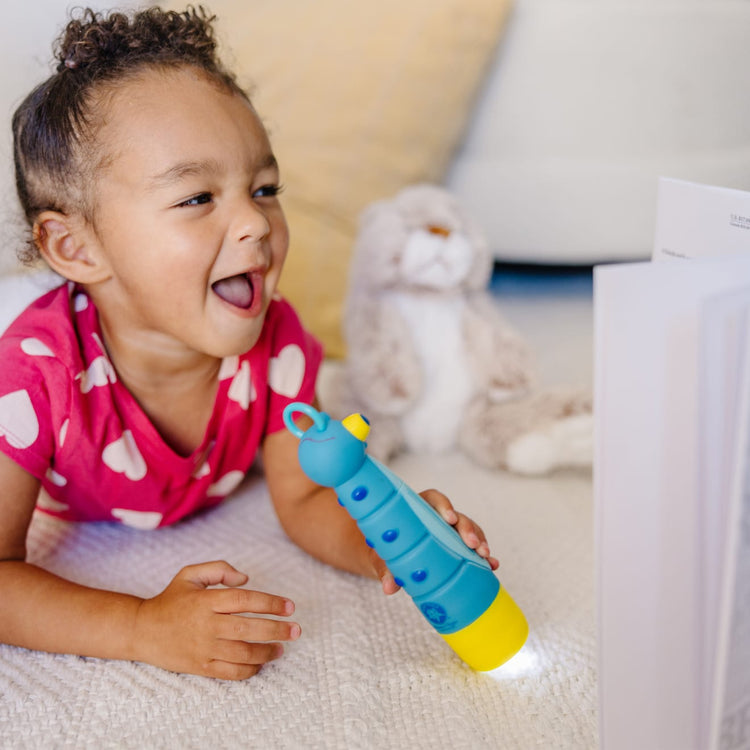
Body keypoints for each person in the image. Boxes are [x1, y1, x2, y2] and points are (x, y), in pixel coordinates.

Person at [0, 6, 499, 681]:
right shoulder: (33, 377)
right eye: (198, 197)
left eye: (264, 189)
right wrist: (140, 627)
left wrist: (391, 542)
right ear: (76, 246)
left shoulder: (277, 344)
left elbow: (305, 498)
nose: (255, 223)